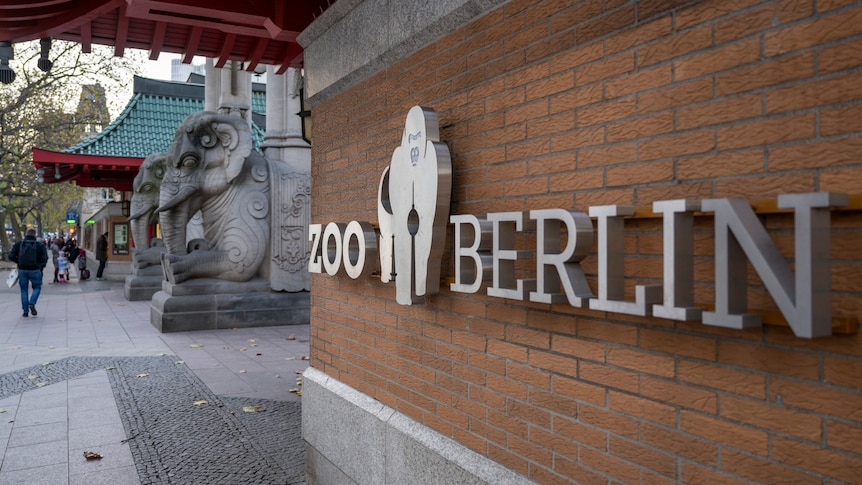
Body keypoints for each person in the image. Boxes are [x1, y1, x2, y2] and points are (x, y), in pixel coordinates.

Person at [8, 228, 49, 317]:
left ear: (26, 234)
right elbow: (45, 258)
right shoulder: (39, 245)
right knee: (37, 287)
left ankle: (25, 311)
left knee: (24, 290)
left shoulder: (19, 244)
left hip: (22, 270)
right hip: (35, 270)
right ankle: (32, 302)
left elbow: (11, 256)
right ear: (35, 234)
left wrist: (18, 262)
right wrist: (40, 266)